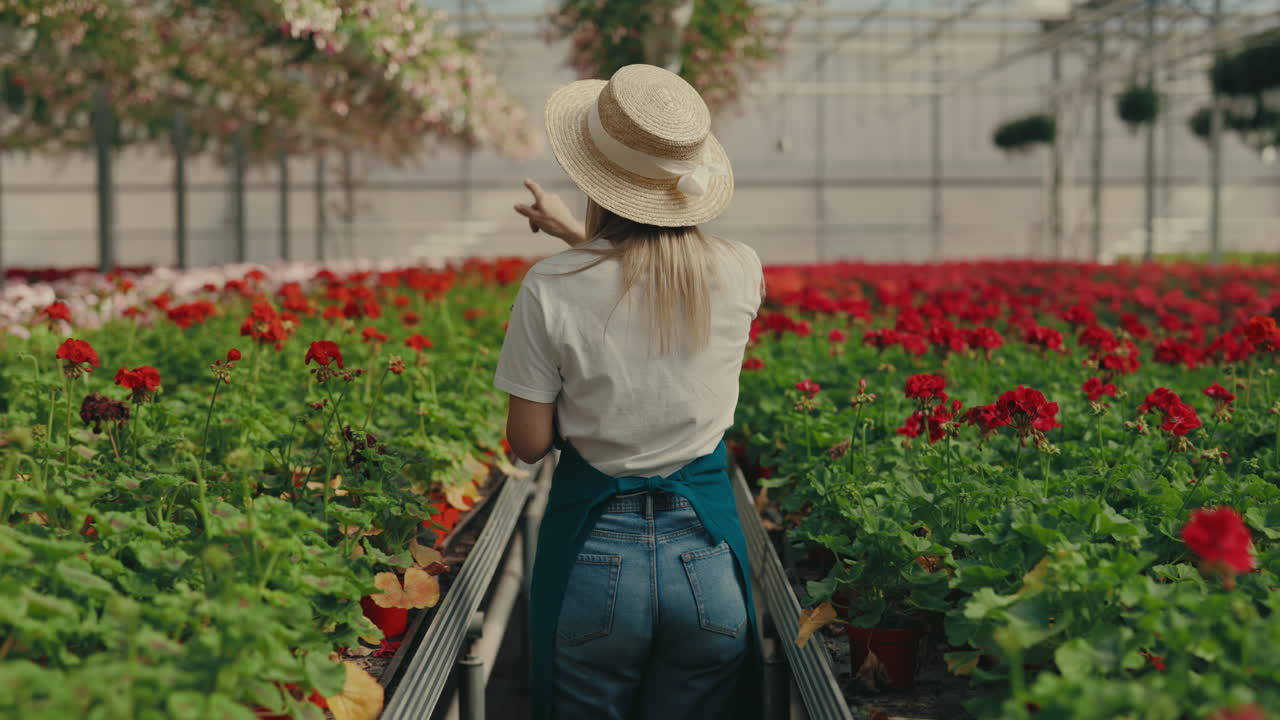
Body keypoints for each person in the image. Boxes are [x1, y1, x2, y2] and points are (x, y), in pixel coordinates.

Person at [493, 64, 766, 720]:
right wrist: (577, 239)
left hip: (594, 559)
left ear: (595, 177)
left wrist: (571, 245)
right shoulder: (743, 269)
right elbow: (650, 284)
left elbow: (527, 446)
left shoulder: (550, 286)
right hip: (707, 560)